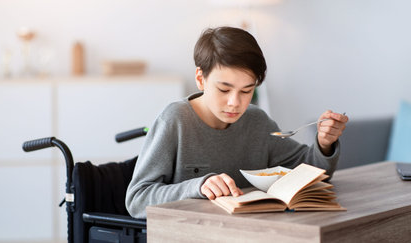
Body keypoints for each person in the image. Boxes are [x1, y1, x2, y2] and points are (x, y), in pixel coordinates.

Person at [125, 26, 348, 218]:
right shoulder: (175, 120)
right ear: (200, 78)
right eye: (224, 89)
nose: (235, 103)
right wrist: (198, 186)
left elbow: (311, 173)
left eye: (246, 91)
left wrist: (324, 144)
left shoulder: (256, 121)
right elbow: (137, 200)